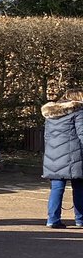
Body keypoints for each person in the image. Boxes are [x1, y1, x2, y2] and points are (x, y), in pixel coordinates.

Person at [40, 89, 83, 229]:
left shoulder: (51, 115)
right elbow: (82, 134)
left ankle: (52, 219)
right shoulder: (78, 112)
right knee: (79, 188)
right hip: (74, 156)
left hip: (53, 156)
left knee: (57, 188)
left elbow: (47, 137)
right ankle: (80, 219)